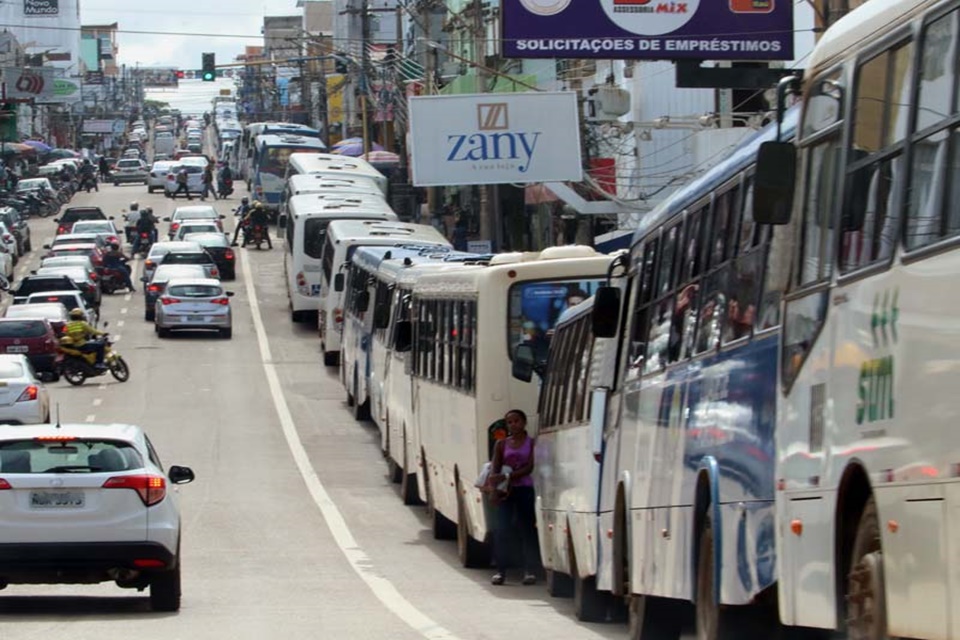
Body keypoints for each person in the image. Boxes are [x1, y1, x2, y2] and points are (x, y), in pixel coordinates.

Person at [486, 409, 538, 586]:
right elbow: (495, 467)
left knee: (526, 530)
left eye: (516, 421)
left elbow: (529, 468)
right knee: (502, 530)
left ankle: (529, 570)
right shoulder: (501, 444)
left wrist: (508, 477)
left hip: (524, 490)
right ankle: (500, 571)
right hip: (505, 492)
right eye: (509, 422)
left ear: (524, 423)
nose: (513, 424)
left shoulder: (531, 443)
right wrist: (493, 489)